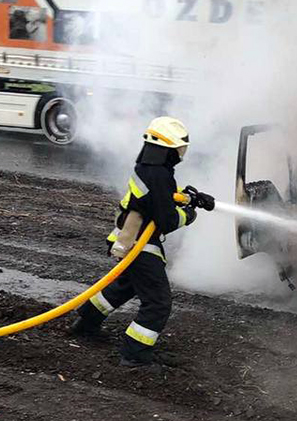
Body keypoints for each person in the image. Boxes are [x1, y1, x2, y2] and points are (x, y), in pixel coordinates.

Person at [69, 116, 214, 366]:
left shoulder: (151, 169)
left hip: (128, 240)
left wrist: (192, 198)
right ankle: (134, 354)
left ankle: (86, 323)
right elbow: (167, 220)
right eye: (180, 148)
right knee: (158, 302)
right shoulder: (158, 174)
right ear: (168, 149)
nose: (182, 153)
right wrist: (189, 215)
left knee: (126, 285)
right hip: (138, 245)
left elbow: (161, 197)